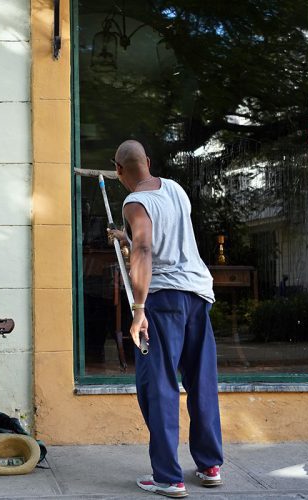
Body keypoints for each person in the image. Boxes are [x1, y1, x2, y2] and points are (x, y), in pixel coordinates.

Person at [110, 140, 223, 498]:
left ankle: (168, 477)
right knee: (201, 380)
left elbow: (146, 248)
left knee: (158, 386)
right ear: (147, 161)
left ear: (118, 171)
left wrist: (139, 309)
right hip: (198, 294)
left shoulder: (134, 201)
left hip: (163, 300)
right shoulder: (175, 188)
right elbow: (163, 238)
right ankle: (209, 465)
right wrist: (126, 238)